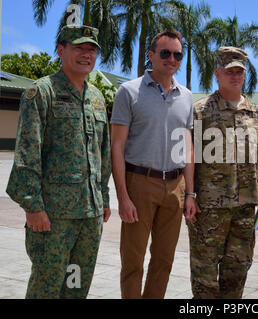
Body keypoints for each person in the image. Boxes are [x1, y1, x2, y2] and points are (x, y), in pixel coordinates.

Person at [6, 25, 111, 299]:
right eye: (79, 48)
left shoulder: (97, 98)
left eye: (92, 49)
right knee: (47, 285)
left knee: (76, 284)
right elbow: (28, 152)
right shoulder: (42, 92)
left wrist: (104, 199)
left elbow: (103, 154)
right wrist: (32, 206)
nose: (86, 54)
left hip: (90, 215)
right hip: (53, 216)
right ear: (61, 51)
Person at [111, 30, 196, 299]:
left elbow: (188, 148)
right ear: (151, 55)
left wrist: (190, 193)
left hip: (175, 187)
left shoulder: (186, 97)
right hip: (140, 184)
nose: (172, 59)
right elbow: (117, 146)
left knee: (163, 262)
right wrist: (123, 197)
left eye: (177, 54)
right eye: (165, 53)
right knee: (133, 262)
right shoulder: (129, 91)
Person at [187, 46, 258, 299]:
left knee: (237, 270)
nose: (235, 76)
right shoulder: (201, 111)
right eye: (230, 71)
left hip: (245, 208)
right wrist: (189, 195)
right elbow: (187, 157)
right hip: (208, 209)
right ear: (218, 73)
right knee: (204, 272)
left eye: (239, 71)